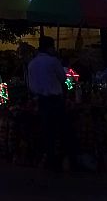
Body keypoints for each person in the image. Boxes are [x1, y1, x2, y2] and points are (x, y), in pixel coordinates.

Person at [28, 36, 73, 172]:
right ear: (49, 48)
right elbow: (64, 79)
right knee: (60, 130)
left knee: (46, 131)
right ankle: (59, 160)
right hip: (54, 100)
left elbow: (31, 86)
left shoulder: (32, 64)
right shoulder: (53, 62)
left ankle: (48, 158)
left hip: (41, 101)